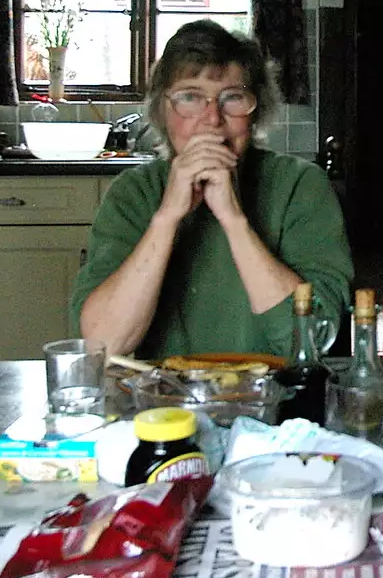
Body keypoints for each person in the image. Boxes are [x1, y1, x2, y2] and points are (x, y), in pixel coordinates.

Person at [72, 19, 351, 360]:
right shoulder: (133, 193)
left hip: (275, 404)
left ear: (256, 110)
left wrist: (234, 220)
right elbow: (104, 346)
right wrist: (167, 219)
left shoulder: (301, 186)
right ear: (163, 109)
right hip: (159, 408)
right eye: (190, 97)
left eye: (232, 98)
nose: (212, 118)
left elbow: (310, 341)